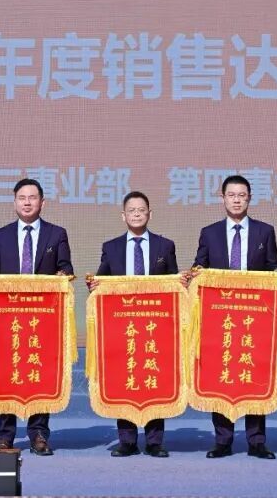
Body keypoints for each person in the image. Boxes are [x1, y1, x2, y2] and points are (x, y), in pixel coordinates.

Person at [192, 175, 277, 459]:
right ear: (223, 198)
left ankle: (257, 441)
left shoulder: (265, 232)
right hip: (220, 319)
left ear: (249, 198)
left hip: (255, 319)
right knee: (222, 373)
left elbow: (272, 268)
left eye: (242, 195)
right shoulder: (209, 233)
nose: (237, 200)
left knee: (253, 372)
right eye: (232, 195)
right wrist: (194, 273)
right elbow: (200, 266)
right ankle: (223, 440)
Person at [0, 177, 74, 456]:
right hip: (8, 319)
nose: (27, 202)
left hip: (42, 320)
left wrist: (62, 275)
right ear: (14, 202)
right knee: (7, 373)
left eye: (32, 197)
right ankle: (5, 436)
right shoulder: (0, 235)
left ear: (42, 202)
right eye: (22, 198)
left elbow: (66, 269)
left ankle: (39, 435)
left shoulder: (56, 234)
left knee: (40, 373)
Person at [90, 191, 178, 458]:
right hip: (122, 327)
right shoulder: (111, 247)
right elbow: (102, 280)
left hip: (155, 327)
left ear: (150, 214)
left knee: (154, 377)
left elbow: (173, 283)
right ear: (123, 216)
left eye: (141, 210)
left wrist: (180, 284)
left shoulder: (165, 246)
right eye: (132, 210)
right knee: (124, 377)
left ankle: (154, 441)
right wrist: (94, 285)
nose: (137, 214)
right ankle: (127, 440)